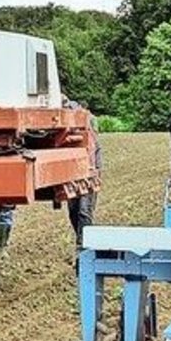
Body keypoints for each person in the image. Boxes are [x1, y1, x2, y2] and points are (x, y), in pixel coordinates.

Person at [66, 99, 101, 250]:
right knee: (73, 209)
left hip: (89, 172)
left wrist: (95, 173)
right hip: (72, 174)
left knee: (84, 210)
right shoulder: (66, 136)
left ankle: (83, 243)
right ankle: (79, 235)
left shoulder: (91, 133)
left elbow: (95, 152)